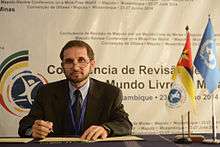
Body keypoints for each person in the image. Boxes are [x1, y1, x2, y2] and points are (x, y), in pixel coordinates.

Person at [18, 40, 132, 140]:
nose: (75, 67)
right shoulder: (46, 92)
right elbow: (25, 125)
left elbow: (125, 124)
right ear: (62, 66)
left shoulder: (110, 93)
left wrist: (106, 129)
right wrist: (33, 130)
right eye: (69, 61)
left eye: (81, 60)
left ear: (92, 64)